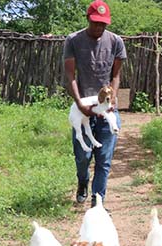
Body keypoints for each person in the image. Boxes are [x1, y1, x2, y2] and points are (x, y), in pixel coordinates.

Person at [63, 0, 127, 208]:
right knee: (83, 155)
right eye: (95, 23)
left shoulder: (116, 41)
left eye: (103, 24)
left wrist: (112, 100)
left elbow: (115, 75)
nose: (99, 27)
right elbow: (70, 75)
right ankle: (83, 182)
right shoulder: (73, 40)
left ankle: (97, 203)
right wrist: (80, 104)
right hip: (84, 106)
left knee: (104, 159)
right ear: (88, 19)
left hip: (106, 107)